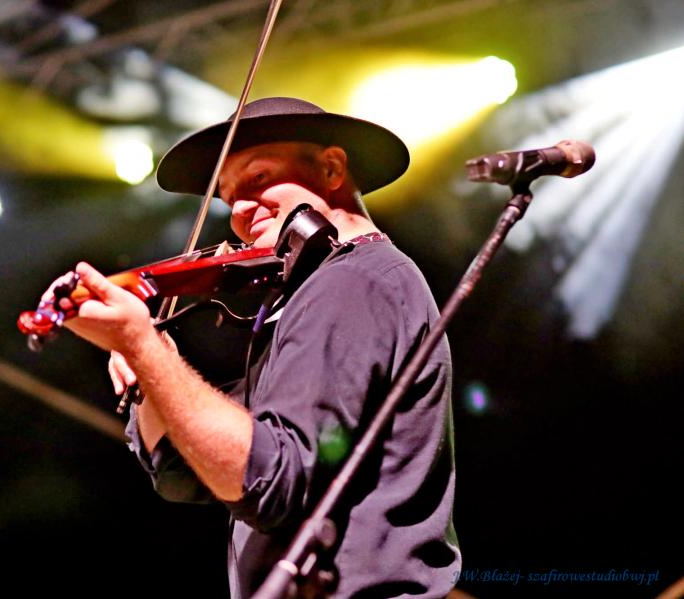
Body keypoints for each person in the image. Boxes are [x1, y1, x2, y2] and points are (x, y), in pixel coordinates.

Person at [48, 97, 460, 598]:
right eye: (228, 198)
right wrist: (148, 360)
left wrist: (142, 344)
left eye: (259, 178)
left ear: (332, 168)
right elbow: (186, 472)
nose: (240, 212)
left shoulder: (354, 280)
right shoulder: (326, 290)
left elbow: (269, 483)